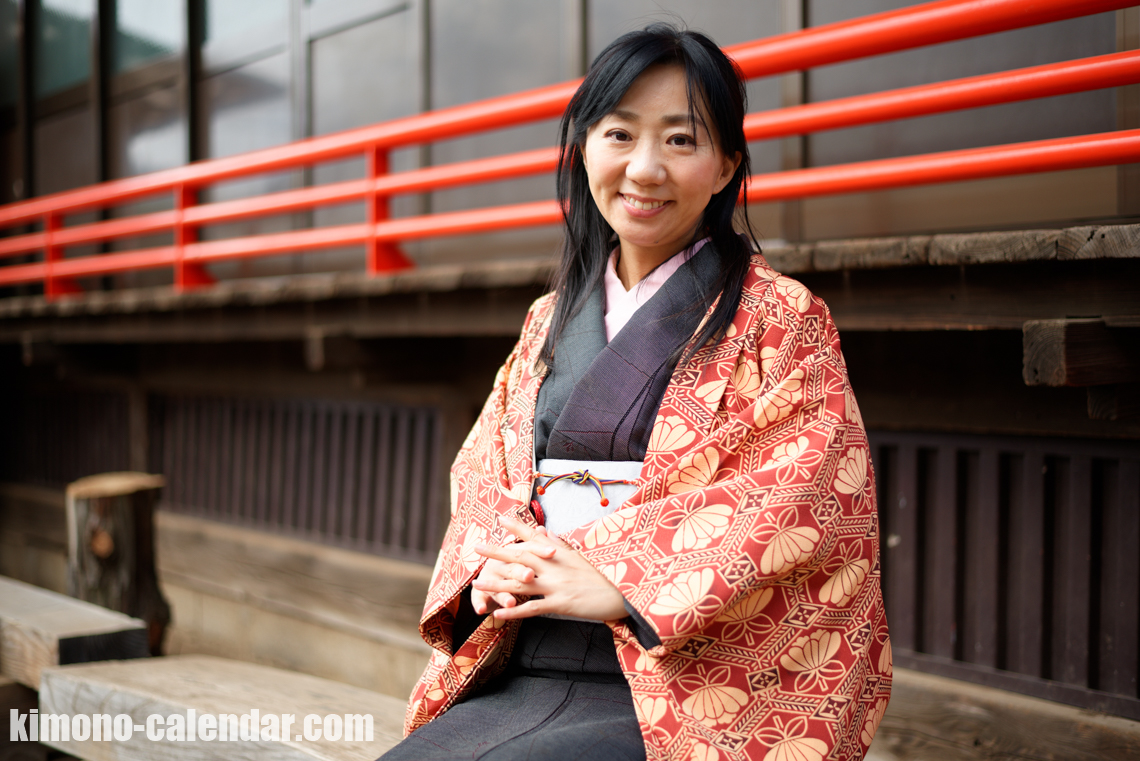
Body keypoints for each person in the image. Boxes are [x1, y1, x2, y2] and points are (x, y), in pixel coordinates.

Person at [381, 23, 890, 761]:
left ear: (725, 167)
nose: (645, 168)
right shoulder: (549, 317)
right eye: (619, 134)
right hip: (530, 649)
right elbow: (485, 474)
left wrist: (622, 580)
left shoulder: (782, 317)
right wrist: (493, 568)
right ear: (584, 146)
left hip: (690, 674)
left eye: (681, 141)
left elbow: (806, 494)